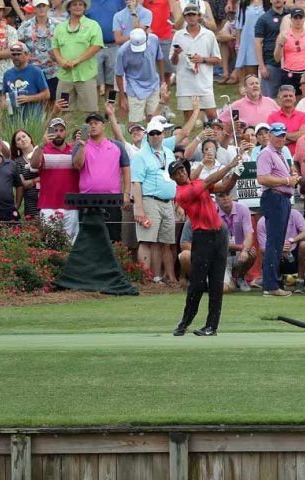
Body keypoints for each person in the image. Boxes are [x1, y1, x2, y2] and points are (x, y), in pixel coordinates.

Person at [168, 156, 242, 336]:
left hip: (219, 235)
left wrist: (236, 174)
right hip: (202, 237)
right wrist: (230, 165)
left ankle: (211, 326)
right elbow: (211, 180)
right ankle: (185, 322)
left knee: (216, 283)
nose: (181, 173)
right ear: (174, 178)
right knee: (198, 283)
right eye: (177, 173)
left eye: (182, 169)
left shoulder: (197, 183)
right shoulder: (182, 193)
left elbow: (224, 188)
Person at [131, 115, 179, 284]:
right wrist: (139, 208)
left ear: (163, 134)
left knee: (164, 241)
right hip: (149, 200)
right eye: (152, 134)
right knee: (146, 240)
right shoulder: (140, 155)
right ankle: (145, 279)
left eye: (158, 133)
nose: (155, 136)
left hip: (168, 202)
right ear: (147, 135)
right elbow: (136, 183)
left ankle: (158, 277)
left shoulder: (168, 153)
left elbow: (174, 177)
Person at [256, 122, 301, 297]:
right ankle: (270, 285)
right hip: (274, 198)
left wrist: (291, 178)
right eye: (278, 135)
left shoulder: (279, 154)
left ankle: (271, 284)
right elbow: (262, 179)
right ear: (270, 136)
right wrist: (287, 181)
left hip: (281, 198)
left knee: (276, 243)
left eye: (283, 135)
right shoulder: (266, 153)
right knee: (274, 243)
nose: (281, 138)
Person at [73, 107, 131, 241]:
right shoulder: (81, 145)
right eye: (89, 124)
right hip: (87, 199)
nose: (92, 126)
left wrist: (126, 193)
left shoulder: (117, 146)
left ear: (103, 126)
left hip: (112, 199)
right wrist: (82, 144)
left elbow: (126, 170)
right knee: (87, 239)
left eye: (96, 123)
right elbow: (77, 165)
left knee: (113, 238)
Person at [51, 0, 104, 112]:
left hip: (86, 75)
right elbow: (55, 47)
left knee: (89, 113)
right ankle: (68, 130)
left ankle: (86, 131)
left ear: (84, 7)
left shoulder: (93, 25)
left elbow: (96, 46)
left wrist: (77, 61)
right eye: (74, 4)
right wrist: (60, 61)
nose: (78, 7)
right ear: (69, 7)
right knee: (63, 111)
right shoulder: (60, 27)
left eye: (81, 4)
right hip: (65, 76)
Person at [171, 3, 219, 120]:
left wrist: (202, 59)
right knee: (188, 118)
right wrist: (176, 53)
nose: (191, 17)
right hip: (185, 83)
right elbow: (173, 61)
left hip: (204, 83)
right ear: (185, 17)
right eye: (188, 15)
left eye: (193, 15)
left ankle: (211, 137)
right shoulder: (178, 35)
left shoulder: (209, 35)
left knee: (212, 116)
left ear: (199, 16)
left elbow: (217, 59)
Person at [115, 28, 164, 124]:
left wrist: (162, 81)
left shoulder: (154, 39)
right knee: (135, 123)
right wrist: (122, 97)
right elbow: (119, 74)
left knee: (155, 119)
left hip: (153, 85)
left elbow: (160, 58)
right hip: (134, 87)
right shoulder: (122, 51)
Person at [19, 0, 60, 99]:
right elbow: (18, 43)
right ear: (34, 8)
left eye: (43, 6)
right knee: (35, 102)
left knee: (53, 102)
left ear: (48, 7)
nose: (41, 8)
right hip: (32, 70)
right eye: (38, 6)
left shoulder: (58, 25)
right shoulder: (25, 25)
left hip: (53, 71)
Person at [1, 42, 50, 120]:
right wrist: (4, 103)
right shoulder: (7, 74)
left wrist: (29, 98)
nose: (16, 57)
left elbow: (46, 94)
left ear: (26, 54)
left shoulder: (36, 71)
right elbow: (4, 94)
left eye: (19, 54)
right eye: (13, 55)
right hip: (13, 117)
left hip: (33, 117)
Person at [253, 0, 287, 98]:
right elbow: (257, 43)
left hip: (289, 64)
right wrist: (262, 66)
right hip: (271, 64)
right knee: (268, 99)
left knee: (289, 98)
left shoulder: (290, 16)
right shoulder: (263, 19)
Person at [265, 84, 305, 154]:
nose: (288, 98)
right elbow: (272, 140)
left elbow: (303, 136)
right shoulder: (272, 117)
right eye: (285, 96)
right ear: (279, 98)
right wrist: (296, 137)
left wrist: (281, 135)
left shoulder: (303, 116)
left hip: (299, 156)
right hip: (278, 156)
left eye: (290, 96)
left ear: (295, 98)